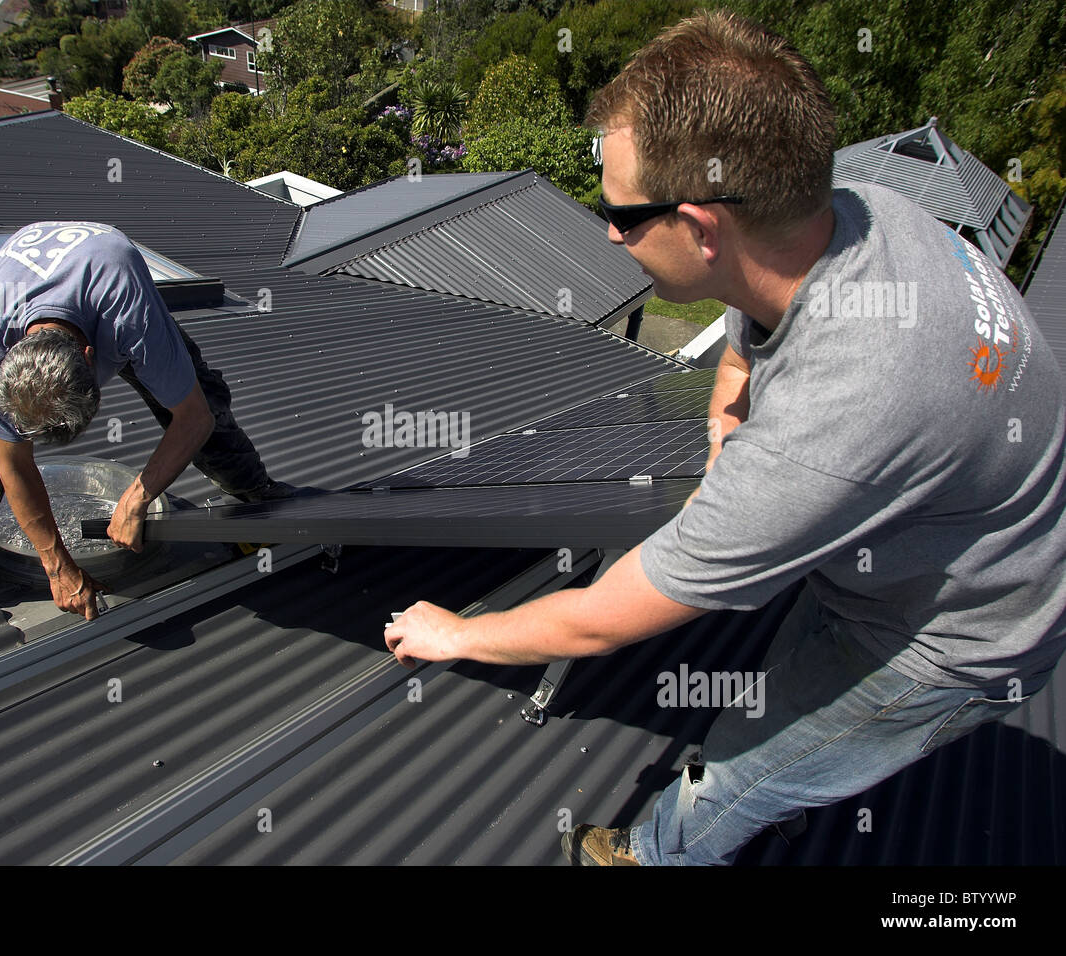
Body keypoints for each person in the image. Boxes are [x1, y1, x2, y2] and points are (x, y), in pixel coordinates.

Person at [383, 10, 1066, 865]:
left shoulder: (836, 420)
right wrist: (719, 432)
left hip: (960, 637)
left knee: (739, 773)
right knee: (775, 686)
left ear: (703, 229)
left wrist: (458, 634)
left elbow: (600, 621)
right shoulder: (860, 210)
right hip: (925, 550)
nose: (608, 232)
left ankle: (658, 854)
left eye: (622, 213)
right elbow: (752, 320)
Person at [0, 220, 298, 637]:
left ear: (92, 357)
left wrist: (138, 497)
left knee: (201, 396)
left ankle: (255, 490)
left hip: (104, 282)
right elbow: (14, 465)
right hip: (29, 297)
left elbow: (194, 418)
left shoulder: (130, 318)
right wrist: (58, 565)